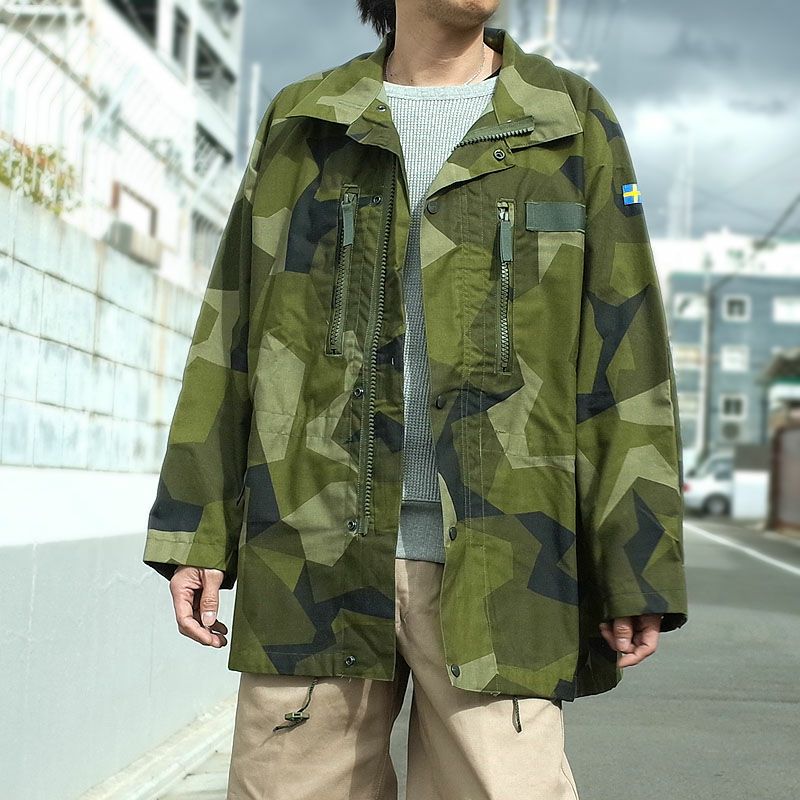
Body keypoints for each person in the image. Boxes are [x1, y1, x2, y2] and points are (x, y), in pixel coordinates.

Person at [142, 1, 689, 797]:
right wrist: (197, 529)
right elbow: (232, 330)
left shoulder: (566, 121)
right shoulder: (308, 121)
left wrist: (635, 562)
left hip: (505, 571)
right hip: (313, 563)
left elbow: (625, 351)